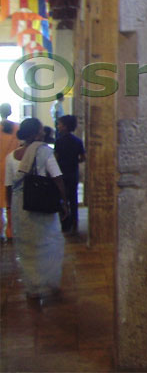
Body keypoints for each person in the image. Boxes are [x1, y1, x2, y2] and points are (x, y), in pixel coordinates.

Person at [5, 118, 69, 302]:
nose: (43, 133)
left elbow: (9, 186)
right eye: (40, 130)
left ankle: (33, 286)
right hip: (42, 203)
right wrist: (64, 202)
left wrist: (10, 209)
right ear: (35, 133)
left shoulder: (10, 157)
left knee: (26, 246)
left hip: (20, 206)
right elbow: (57, 178)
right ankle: (48, 282)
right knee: (49, 242)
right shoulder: (45, 153)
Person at [54, 115, 85, 234]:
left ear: (65, 127)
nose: (58, 126)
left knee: (63, 198)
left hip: (62, 173)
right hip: (73, 173)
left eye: (60, 124)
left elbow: (55, 158)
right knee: (73, 198)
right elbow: (82, 158)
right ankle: (75, 222)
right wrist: (74, 161)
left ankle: (65, 222)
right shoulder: (77, 141)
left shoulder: (59, 141)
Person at [0, 103, 19, 242]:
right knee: (11, 199)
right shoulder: (17, 128)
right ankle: (10, 230)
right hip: (13, 166)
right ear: (11, 112)